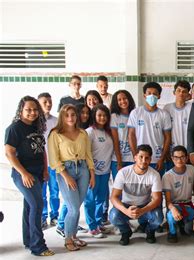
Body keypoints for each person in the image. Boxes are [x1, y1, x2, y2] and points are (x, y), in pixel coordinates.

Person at [4, 96, 54, 256]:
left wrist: (45, 170)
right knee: (37, 205)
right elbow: (9, 154)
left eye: (35, 110)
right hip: (24, 174)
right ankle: (38, 246)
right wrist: (24, 173)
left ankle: (28, 240)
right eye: (28, 110)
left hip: (38, 172)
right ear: (21, 110)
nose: (32, 113)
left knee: (29, 206)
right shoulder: (14, 128)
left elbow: (42, 149)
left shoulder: (36, 126)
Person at [48, 104, 95, 251]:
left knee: (77, 205)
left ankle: (74, 236)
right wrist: (66, 176)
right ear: (62, 116)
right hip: (65, 170)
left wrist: (92, 174)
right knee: (73, 208)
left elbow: (88, 155)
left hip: (83, 170)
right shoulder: (55, 133)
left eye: (73, 114)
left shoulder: (82, 133)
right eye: (67, 115)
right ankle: (68, 238)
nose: (70, 118)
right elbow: (53, 159)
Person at [109, 145, 163, 245]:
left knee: (158, 217)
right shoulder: (123, 173)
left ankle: (149, 230)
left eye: (147, 158)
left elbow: (157, 199)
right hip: (126, 206)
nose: (143, 160)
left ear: (151, 159)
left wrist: (142, 210)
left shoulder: (154, 175)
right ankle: (125, 232)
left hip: (144, 207)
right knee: (113, 216)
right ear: (135, 158)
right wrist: (126, 211)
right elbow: (114, 197)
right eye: (140, 157)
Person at [128, 82, 172, 174]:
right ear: (144, 95)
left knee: (157, 186)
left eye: (155, 93)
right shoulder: (135, 113)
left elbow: (167, 138)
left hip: (157, 159)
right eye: (149, 93)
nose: (152, 96)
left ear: (159, 96)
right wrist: (135, 156)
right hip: (140, 159)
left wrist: (162, 158)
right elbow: (131, 135)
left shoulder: (164, 114)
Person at [84, 105, 114, 238]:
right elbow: (86, 153)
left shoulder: (108, 132)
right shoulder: (89, 132)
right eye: (99, 115)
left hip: (105, 172)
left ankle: (97, 222)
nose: (102, 118)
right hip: (93, 173)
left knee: (101, 199)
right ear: (94, 116)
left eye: (105, 115)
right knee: (90, 200)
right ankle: (91, 227)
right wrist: (90, 172)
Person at [162, 146, 194, 243]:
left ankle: (183, 224)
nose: (179, 160)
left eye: (182, 157)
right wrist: (173, 209)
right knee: (171, 216)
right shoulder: (167, 176)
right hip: (174, 205)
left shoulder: (191, 169)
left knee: (193, 226)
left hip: (188, 204)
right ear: (172, 158)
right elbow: (168, 201)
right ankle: (172, 232)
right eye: (176, 157)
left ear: (187, 158)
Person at [38, 92, 59, 228]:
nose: (48, 104)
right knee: (41, 192)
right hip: (39, 163)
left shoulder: (56, 121)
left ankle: (54, 216)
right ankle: (43, 216)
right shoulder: (35, 122)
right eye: (45, 102)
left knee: (54, 191)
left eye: (50, 101)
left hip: (53, 162)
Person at [110, 90, 136, 179]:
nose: (122, 101)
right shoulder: (114, 117)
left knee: (131, 188)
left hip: (132, 158)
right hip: (117, 159)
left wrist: (136, 157)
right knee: (118, 187)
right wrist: (119, 161)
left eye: (124, 98)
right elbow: (115, 141)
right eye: (119, 100)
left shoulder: (135, 115)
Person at [164, 80, 193, 149]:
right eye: (179, 90)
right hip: (172, 148)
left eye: (184, 91)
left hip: (188, 149)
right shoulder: (167, 108)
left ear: (188, 94)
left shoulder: (192, 107)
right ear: (174, 92)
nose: (181, 93)